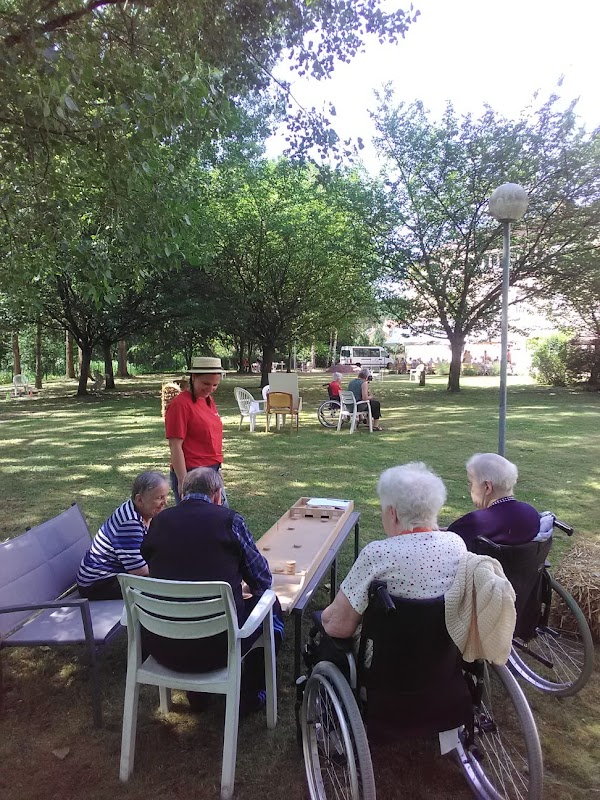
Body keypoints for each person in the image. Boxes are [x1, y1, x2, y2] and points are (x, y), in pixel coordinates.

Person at [141, 467, 284, 713]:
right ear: (217, 495)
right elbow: (262, 581)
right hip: (219, 648)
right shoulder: (229, 521)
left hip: (161, 643)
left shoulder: (158, 522)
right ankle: (249, 696)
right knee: (272, 608)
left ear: (183, 493)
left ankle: (198, 694)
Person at [321, 463, 467, 638]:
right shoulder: (457, 544)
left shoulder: (378, 554)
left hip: (386, 660)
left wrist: (324, 616)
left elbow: (337, 626)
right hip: (442, 656)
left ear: (393, 513)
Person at [76, 471, 169, 600]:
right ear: (139, 499)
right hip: (98, 584)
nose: (165, 502)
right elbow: (139, 571)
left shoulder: (142, 512)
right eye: (159, 498)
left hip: (112, 575)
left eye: (166, 496)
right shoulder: (130, 523)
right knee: (164, 588)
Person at [164, 355, 226, 505]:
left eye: (215, 385)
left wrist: (218, 471)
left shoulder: (208, 400)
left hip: (213, 471)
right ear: (193, 377)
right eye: (206, 383)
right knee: (195, 523)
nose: (210, 389)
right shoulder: (180, 405)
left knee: (220, 519)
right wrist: (182, 480)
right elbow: (175, 445)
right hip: (193, 474)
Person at [448, 453, 540, 549]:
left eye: (471, 483)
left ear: (487, 487)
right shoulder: (532, 515)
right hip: (524, 564)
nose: (470, 489)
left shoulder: (472, 523)